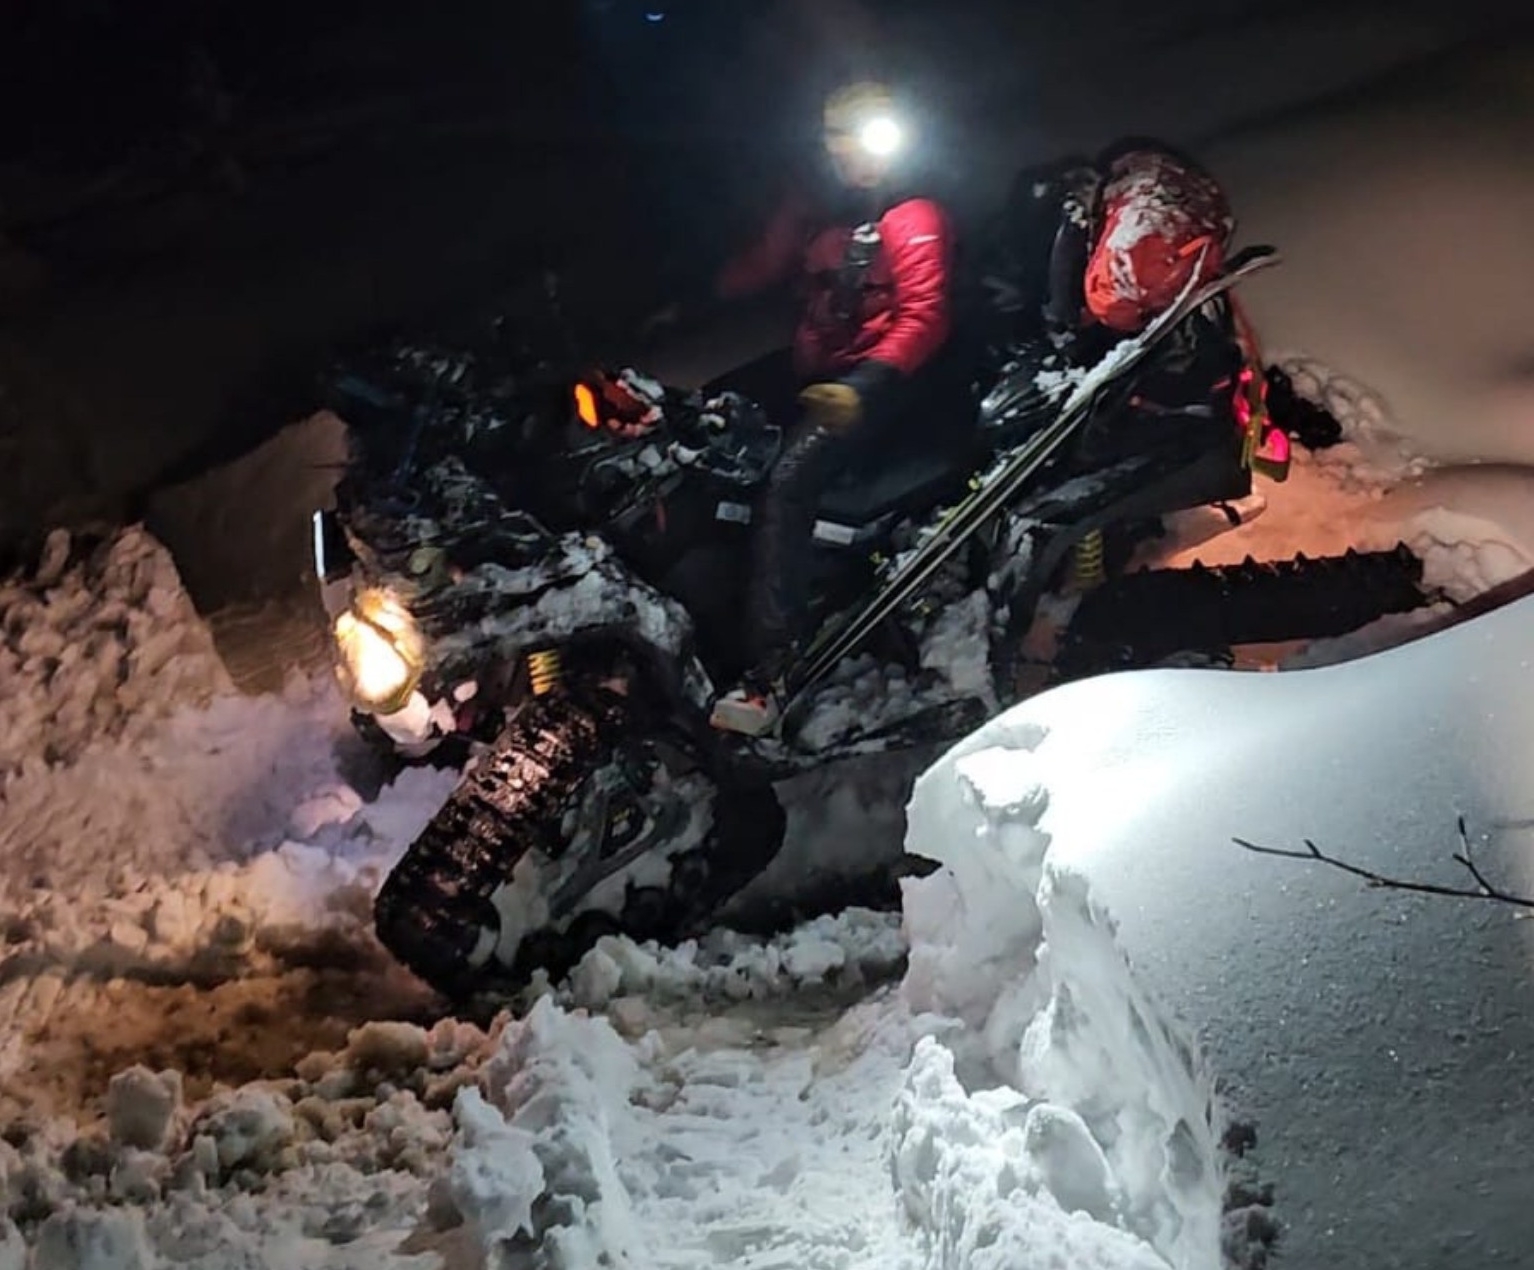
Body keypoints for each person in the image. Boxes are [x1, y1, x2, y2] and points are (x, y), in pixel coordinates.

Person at [697, 79, 959, 737]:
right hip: (816, 369)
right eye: (838, 138)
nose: (849, 153)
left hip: (887, 381)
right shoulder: (813, 203)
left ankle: (772, 671)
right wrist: (691, 290)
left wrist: (862, 387)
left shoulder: (913, 214)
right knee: (704, 422)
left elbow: (925, 318)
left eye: (861, 137)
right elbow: (764, 262)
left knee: (788, 482)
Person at [980, 137, 1290, 475]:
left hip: (1131, 285)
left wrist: (1065, 331)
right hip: (1169, 251)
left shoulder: (1092, 258)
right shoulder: (1107, 229)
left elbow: (1068, 303)